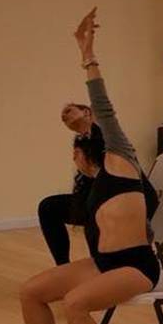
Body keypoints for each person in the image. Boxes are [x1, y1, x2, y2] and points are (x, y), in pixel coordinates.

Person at [1, 8, 160, 324]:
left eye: (77, 147)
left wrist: (87, 53)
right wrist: (79, 128)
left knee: (75, 303)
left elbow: (104, 113)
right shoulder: (92, 181)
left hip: (136, 266)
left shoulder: (121, 161)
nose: (73, 153)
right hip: (103, 263)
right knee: (31, 291)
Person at [37, 104, 105, 266]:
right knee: (48, 207)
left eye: (69, 110)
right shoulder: (81, 140)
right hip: (93, 197)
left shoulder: (108, 136)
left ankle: (101, 265)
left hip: (116, 201)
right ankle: (63, 266)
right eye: (63, 116)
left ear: (87, 112)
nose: (64, 115)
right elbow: (90, 174)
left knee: (94, 208)